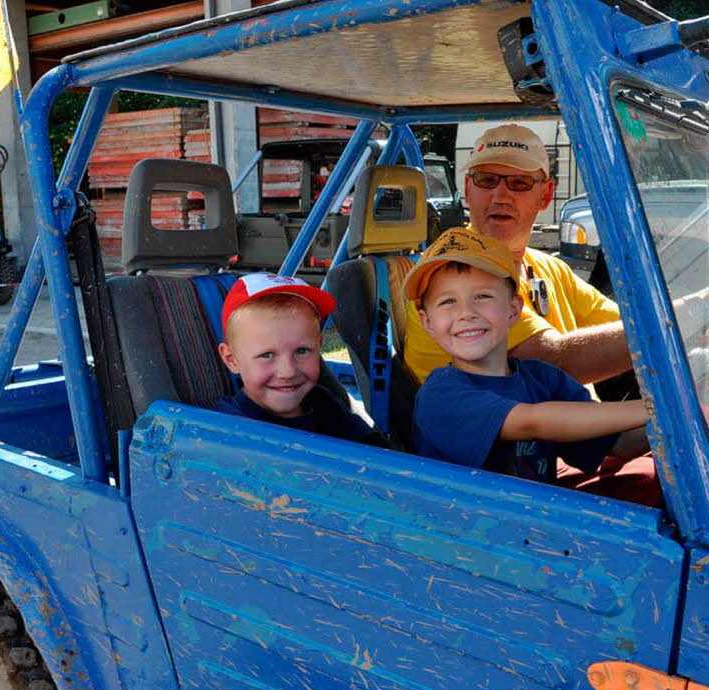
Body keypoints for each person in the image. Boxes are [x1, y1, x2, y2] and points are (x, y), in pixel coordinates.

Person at [406, 228, 650, 485]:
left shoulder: (543, 379)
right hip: (462, 521)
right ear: (427, 322)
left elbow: (618, 443)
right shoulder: (440, 394)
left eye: (483, 296)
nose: (466, 313)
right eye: (447, 302)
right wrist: (651, 409)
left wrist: (679, 419)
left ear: (514, 310)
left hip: (532, 515)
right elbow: (532, 423)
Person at [404, 123, 626, 385]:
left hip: (572, 422)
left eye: (519, 183)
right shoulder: (452, 270)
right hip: (514, 424)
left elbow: (624, 320)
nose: (500, 196)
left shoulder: (548, 268)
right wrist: (667, 329)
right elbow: (553, 364)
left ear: (546, 195)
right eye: (486, 180)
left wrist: (682, 313)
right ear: (468, 188)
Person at [216, 272, 387, 446]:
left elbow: (376, 450)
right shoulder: (227, 431)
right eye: (267, 355)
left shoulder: (323, 403)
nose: (288, 372)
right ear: (231, 360)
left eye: (302, 351)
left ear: (319, 346)